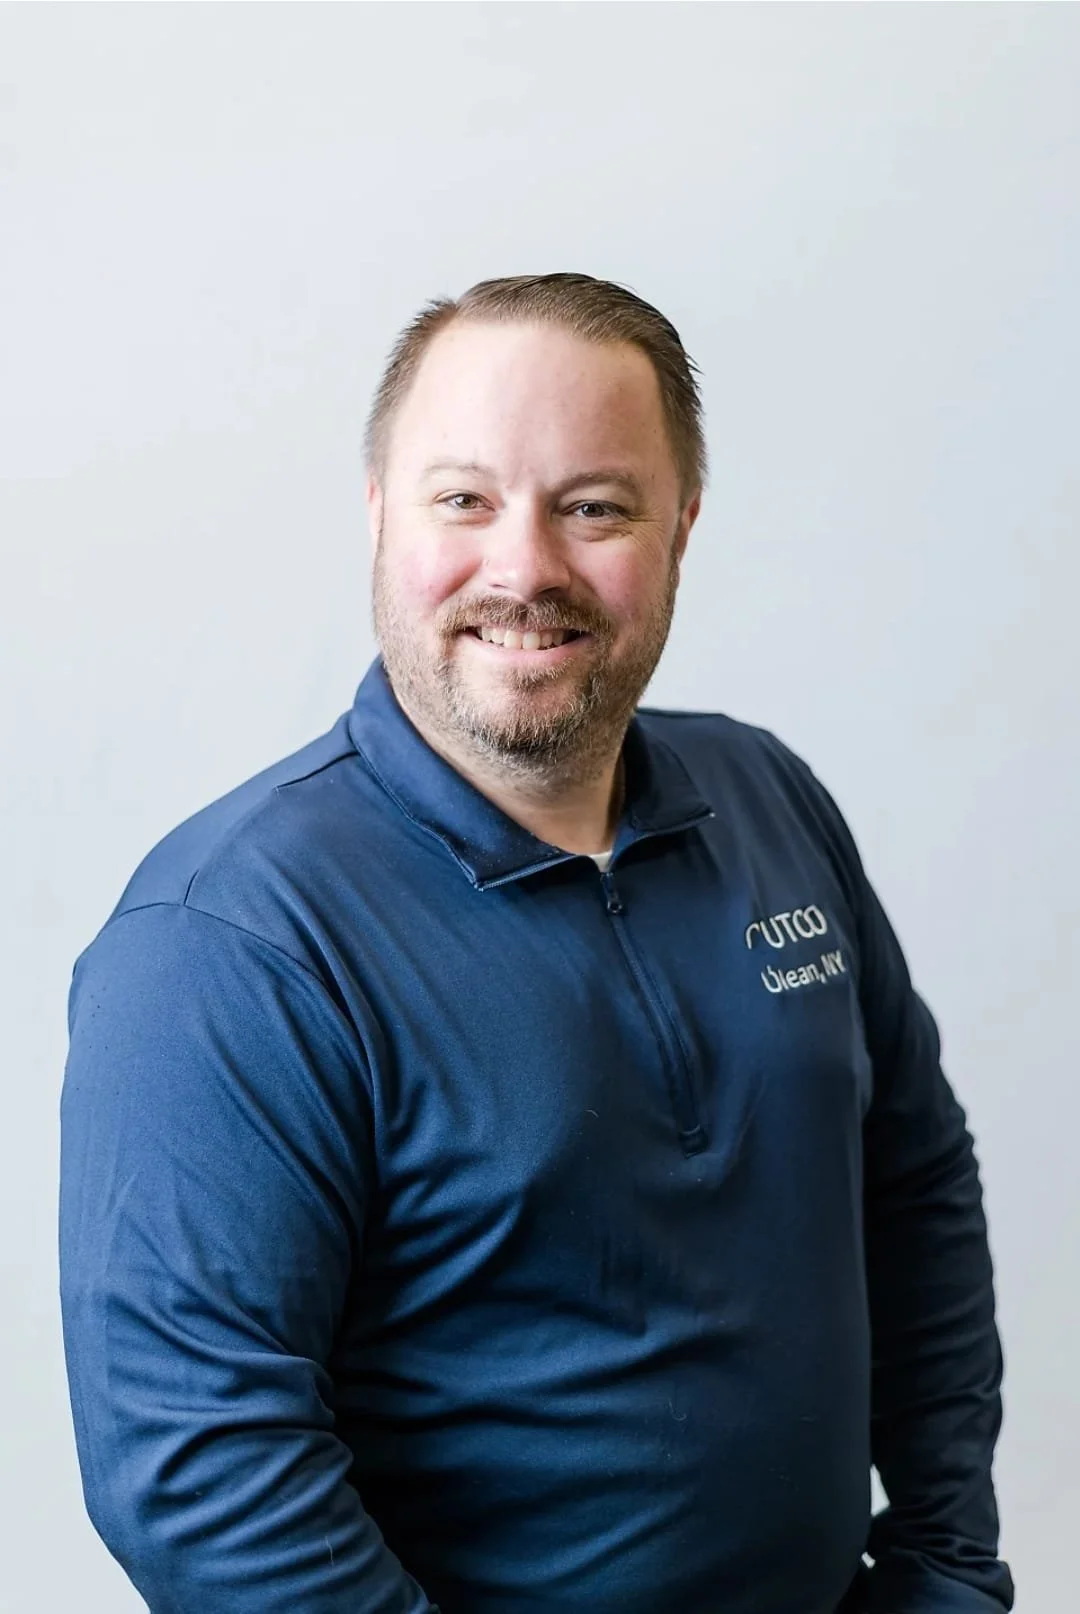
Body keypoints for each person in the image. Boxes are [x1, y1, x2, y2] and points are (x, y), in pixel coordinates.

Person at [59, 272, 1013, 1614]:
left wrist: (949, 1564)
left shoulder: (771, 801)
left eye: (594, 506)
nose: (525, 568)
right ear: (382, 517)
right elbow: (203, 1472)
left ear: (680, 528)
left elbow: (914, 1184)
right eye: (465, 499)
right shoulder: (230, 940)